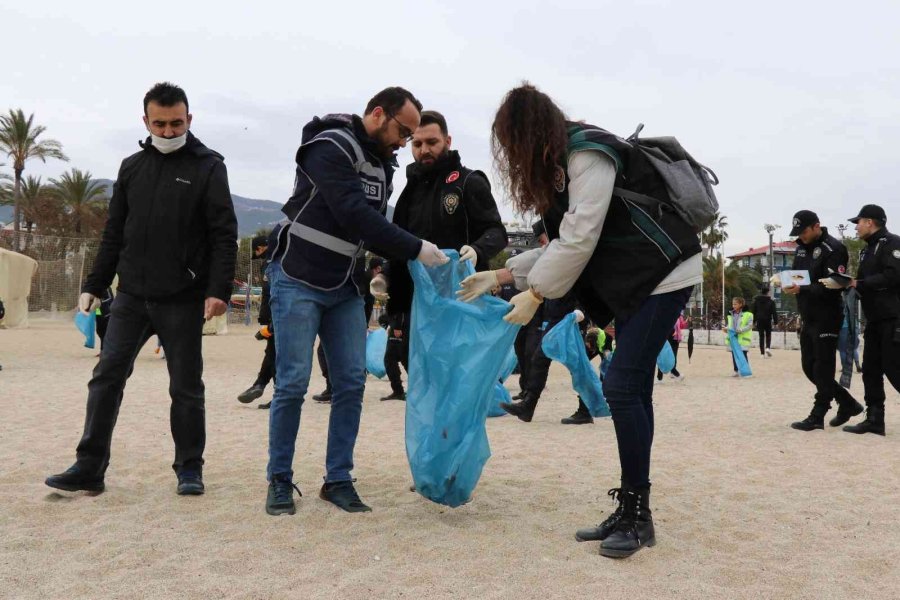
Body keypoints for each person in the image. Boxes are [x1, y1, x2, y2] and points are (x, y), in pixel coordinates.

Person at [457, 84, 702, 558]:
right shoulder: (560, 166)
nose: (510, 154)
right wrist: (502, 273)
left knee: (622, 388)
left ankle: (637, 515)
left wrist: (533, 292)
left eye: (511, 142)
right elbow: (562, 243)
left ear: (530, 132)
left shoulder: (587, 153)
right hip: (636, 281)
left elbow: (580, 238)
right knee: (634, 390)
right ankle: (635, 510)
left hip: (664, 273)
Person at [45, 82, 238, 496]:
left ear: (190, 119)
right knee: (106, 378)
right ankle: (89, 467)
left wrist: (217, 289)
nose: (168, 132)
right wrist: (95, 284)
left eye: (176, 123)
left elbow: (224, 235)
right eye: (160, 123)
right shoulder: (131, 167)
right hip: (131, 296)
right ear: (145, 120)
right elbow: (115, 231)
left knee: (185, 387)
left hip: (183, 299)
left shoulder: (209, 167)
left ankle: (189, 468)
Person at [265, 87, 449, 516]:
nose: (405, 141)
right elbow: (354, 214)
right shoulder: (328, 146)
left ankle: (338, 479)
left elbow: (373, 224)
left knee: (351, 382)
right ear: (378, 114)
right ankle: (279, 479)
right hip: (297, 277)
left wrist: (396, 264)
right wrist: (415, 247)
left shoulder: (384, 165)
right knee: (292, 382)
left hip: (345, 285)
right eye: (403, 131)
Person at [380, 110, 507, 401]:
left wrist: (477, 249)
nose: (424, 150)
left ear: (447, 141)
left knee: (460, 383)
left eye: (432, 142)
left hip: (461, 302)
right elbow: (399, 246)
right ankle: (437, 442)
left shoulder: (468, 181)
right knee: (425, 382)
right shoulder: (408, 193)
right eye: (417, 143)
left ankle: (459, 440)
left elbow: (497, 232)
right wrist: (393, 296)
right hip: (419, 306)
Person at [781, 210, 862, 431]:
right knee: (809, 367)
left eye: (804, 231)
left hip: (827, 315)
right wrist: (786, 281)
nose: (801, 236)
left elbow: (833, 284)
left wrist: (802, 288)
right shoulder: (800, 248)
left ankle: (818, 415)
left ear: (817, 226)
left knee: (823, 367)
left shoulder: (834, 249)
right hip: (807, 314)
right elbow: (800, 276)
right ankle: (847, 403)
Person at [824, 205, 900, 435]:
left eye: (859, 222)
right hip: (874, 319)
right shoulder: (866, 250)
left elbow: (894, 275)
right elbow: (863, 281)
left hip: (893, 317)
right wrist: (845, 283)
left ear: (870, 222)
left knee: (895, 368)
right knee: (871, 370)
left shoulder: (893, 243)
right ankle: (875, 418)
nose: (856, 227)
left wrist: (859, 284)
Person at [238, 233, 279, 409]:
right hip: (277, 315)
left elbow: (271, 294)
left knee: (276, 354)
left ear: (262, 247)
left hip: (279, 314)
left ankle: (264, 386)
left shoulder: (272, 264)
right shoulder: (275, 262)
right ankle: (261, 385)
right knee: (274, 352)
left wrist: (267, 321)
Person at [723, 297, 753, 377]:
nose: (733, 305)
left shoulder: (748, 314)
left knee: (743, 354)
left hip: (743, 338)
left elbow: (750, 325)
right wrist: (726, 328)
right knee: (734, 354)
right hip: (733, 337)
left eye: (735, 304)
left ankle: (745, 371)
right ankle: (736, 370)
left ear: (741, 304)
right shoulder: (730, 314)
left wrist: (741, 330)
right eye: (733, 304)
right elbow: (729, 324)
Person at [657, 311, 687, 382]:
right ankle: (661, 377)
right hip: (668, 339)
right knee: (663, 357)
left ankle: (672, 373)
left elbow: (681, 326)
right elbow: (666, 326)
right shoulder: (668, 315)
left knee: (674, 357)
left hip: (676, 340)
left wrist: (685, 322)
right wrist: (672, 332)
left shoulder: (679, 317)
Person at [750, 286, 778, 357]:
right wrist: (775, 322)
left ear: (761, 291)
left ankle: (762, 353)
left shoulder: (756, 301)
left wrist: (753, 322)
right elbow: (774, 312)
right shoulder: (771, 302)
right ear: (768, 292)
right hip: (768, 320)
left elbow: (753, 312)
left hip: (759, 320)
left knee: (761, 336)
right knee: (768, 335)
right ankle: (767, 348)